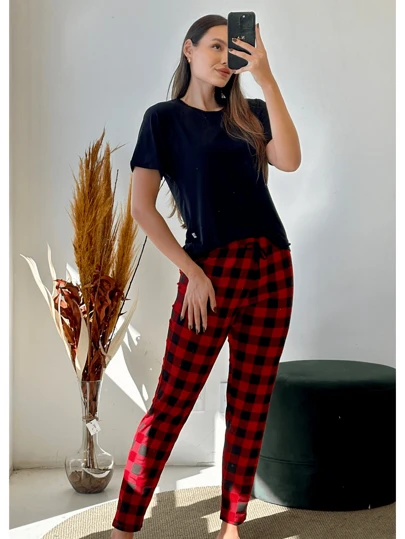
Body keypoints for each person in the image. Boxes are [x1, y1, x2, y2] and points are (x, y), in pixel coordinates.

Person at [111, 13, 301, 539]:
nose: (223, 58)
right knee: (171, 404)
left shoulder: (251, 112)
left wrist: (266, 77)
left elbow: (289, 160)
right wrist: (192, 272)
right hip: (210, 275)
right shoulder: (163, 119)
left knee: (250, 401)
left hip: (271, 269)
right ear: (188, 49)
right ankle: (124, 528)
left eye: (231, 49)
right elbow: (142, 208)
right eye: (214, 46)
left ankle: (231, 525)